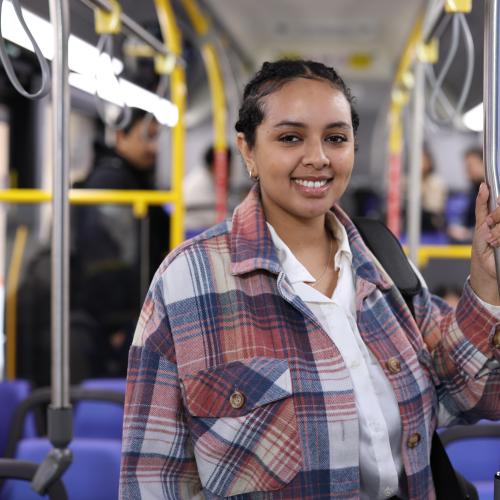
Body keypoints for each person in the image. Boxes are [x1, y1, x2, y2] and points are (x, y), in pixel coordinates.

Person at [120, 60, 500, 499]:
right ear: (247, 150)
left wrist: (486, 285)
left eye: (336, 138)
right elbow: (153, 478)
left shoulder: (382, 262)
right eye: (290, 138)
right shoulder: (188, 283)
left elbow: (467, 394)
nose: (318, 157)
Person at [73, 108, 170, 378]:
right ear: (120, 137)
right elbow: (106, 260)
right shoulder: (113, 183)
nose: (153, 148)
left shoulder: (133, 179)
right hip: (116, 315)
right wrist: (115, 322)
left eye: (156, 138)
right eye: (146, 138)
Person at [183, 145, 232, 233]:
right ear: (216, 165)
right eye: (229, 166)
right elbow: (218, 218)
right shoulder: (200, 184)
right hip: (192, 232)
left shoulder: (203, 176)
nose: (231, 171)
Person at [447, 146, 485, 243]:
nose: (467, 171)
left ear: (484, 164)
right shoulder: (474, 189)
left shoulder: (491, 191)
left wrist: (467, 233)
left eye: (470, 166)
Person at [420, 147, 447, 233]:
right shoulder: (409, 181)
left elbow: (433, 207)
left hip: (431, 219)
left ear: (429, 162)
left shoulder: (436, 182)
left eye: (422, 160)